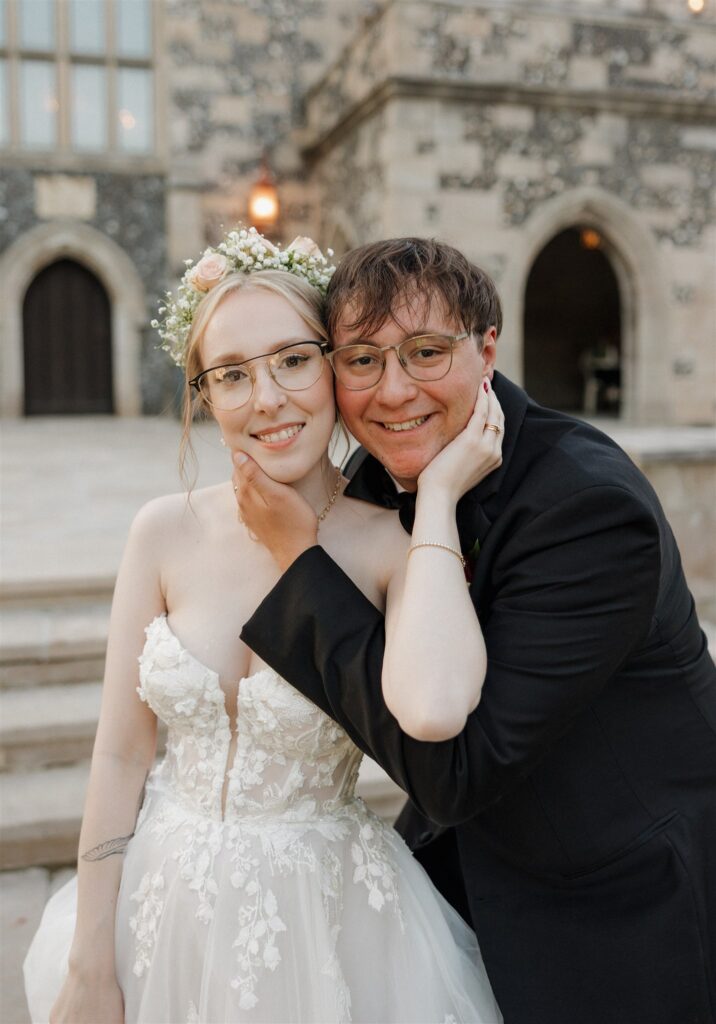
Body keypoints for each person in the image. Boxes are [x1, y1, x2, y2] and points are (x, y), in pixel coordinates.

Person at [23, 229, 504, 1024]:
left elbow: (438, 705)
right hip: (161, 907)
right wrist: (90, 956)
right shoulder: (160, 534)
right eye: (232, 375)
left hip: (333, 923)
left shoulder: (395, 546)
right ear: (204, 396)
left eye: (291, 360)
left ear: (332, 366)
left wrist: (443, 498)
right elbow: (119, 754)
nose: (269, 400)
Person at [236, 237, 716, 1024]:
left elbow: (457, 766)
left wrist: (300, 559)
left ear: (487, 348)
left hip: (616, 909)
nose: (393, 392)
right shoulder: (371, 480)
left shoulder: (589, 509)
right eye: (360, 361)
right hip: (460, 880)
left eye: (426, 352)